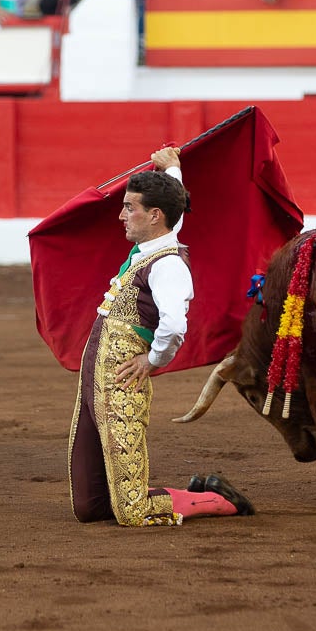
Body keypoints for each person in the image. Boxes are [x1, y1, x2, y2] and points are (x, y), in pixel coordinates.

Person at [68, 145, 256, 528]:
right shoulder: (151, 245)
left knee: (133, 513)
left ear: (153, 216)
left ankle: (215, 499)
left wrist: (152, 360)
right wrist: (173, 171)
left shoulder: (168, 265)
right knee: (89, 508)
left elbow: (173, 326)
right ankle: (145, 495)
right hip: (94, 383)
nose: (121, 215)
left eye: (129, 208)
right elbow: (173, 214)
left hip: (121, 381)